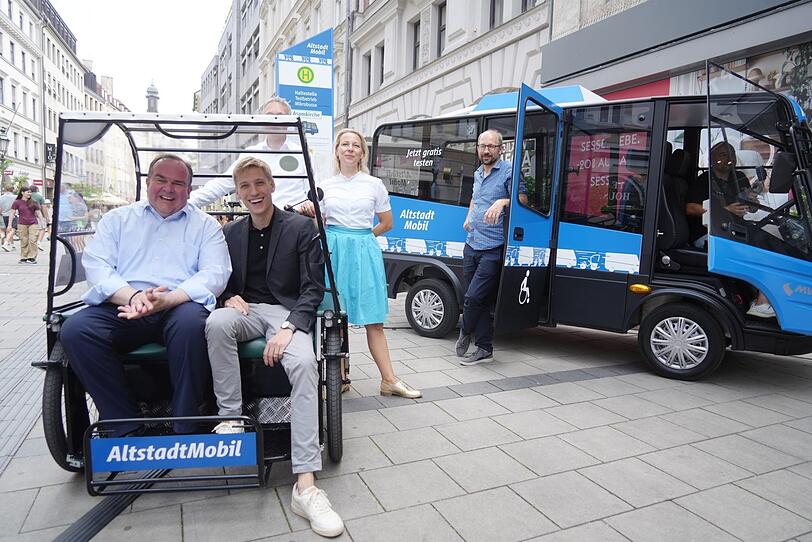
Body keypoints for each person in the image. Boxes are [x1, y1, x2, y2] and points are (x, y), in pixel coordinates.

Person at [205, 157, 344, 538]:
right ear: (237, 193)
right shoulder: (230, 233)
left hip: (288, 312)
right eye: (245, 186)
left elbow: (313, 288)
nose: (253, 192)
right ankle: (231, 418)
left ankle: (306, 484)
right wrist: (228, 295)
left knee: (302, 364)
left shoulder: (300, 228)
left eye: (259, 184)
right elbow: (219, 280)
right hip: (247, 312)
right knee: (216, 323)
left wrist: (288, 328)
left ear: (272, 186)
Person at [59, 154, 232, 436]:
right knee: (76, 331)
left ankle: (185, 424)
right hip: (126, 302)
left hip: (179, 304)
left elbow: (215, 273)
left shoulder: (205, 225)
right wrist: (133, 296)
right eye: (161, 180)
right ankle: (123, 426)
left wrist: (169, 299)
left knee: (193, 325)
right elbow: (98, 265)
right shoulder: (117, 219)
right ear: (148, 182)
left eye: (178, 183)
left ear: (189, 190)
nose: (168, 189)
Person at [302, 129, 421, 399]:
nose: (350, 149)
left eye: (356, 145)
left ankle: (389, 380)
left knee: (374, 318)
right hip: (332, 250)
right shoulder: (323, 184)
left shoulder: (373, 184)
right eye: (345, 144)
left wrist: (363, 239)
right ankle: (340, 376)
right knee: (334, 316)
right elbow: (315, 222)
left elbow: (387, 222)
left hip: (364, 250)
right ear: (337, 150)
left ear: (362, 153)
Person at [456, 129, 526, 365]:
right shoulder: (477, 173)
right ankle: (484, 348)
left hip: (493, 247)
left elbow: (524, 201)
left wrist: (503, 201)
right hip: (471, 243)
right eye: (482, 146)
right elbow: (475, 199)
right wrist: (469, 216)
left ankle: (465, 330)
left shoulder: (509, 172)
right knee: (481, 299)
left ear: (500, 148)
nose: (486, 150)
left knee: (473, 297)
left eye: (491, 146)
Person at [686, 142, 774, 318]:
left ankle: (759, 297)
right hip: (710, 233)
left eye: (731, 155)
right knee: (761, 250)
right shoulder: (705, 180)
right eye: (723, 155)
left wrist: (752, 200)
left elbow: (752, 209)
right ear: (712, 160)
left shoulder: (739, 177)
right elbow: (690, 208)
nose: (728, 159)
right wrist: (726, 210)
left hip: (736, 230)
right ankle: (761, 303)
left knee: (771, 239)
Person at [190, 97, 312, 210]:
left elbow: (313, 192)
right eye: (270, 116)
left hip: (297, 222)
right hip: (263, 222)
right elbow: (222, 183)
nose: (275, 121)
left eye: (280, 116)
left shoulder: (302, 154)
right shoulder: (251, 155)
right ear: (263, 121)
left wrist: (310, 207)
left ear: (289, 121)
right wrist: (186, 201)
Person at [7, 185, 45, 264]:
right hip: (22, 223)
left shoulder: (34, 202)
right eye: (28, 192)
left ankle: (32, 257)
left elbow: (39, 213)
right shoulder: (17, 202)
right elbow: (12, 213)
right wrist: (9, 225)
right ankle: (24, 257)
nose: (29, 194)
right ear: (22, 192)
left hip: (33, 223)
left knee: (32, 240)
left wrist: (42, 224)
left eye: (30, 192)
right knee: (24, 240)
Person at [29, 185, 49, 250]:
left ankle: (31, 243)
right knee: (42, 228)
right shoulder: (40, 197)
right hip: (39, 216)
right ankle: (39, 242)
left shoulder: (27, 196)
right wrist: (47, 217)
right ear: (37, 190)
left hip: (28, 216)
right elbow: (44, 207)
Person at [0, 184, 17, 251]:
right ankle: (6, 243)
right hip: (13, 215)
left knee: (9, 230)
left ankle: (12, 245)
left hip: (4, 215)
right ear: (12, 189)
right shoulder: (15, 197)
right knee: (13, 229)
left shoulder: (1, 197)